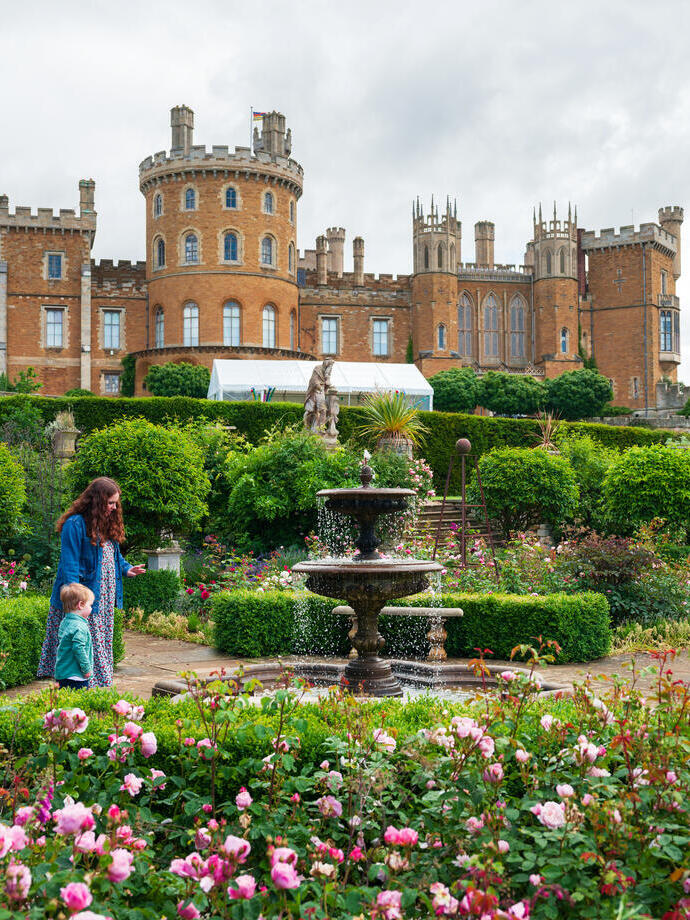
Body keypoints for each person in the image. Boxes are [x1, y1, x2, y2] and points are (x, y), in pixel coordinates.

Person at [37, 477, 145, 687]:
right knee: (85, 639)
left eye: (116, 503)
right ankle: (87, 683)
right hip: (85, 596)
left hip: (105, 593)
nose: (114, 508)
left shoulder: (106, 523)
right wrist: (76, 601)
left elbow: (114, 556)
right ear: (97, 500)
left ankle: (99, 683)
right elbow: (69, 565)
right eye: (110, 503)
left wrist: (126, 568)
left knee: (100, 638)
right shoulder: (74, 525)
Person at [54, 583, 94, 690]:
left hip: (62, 673)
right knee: (77, 704)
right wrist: (86, 669)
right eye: (90, 605)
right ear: (80, 605)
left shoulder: (65, 621)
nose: (91, 608)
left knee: (63, 704)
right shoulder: (80, 627)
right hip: (76, 676)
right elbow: (78, 648)